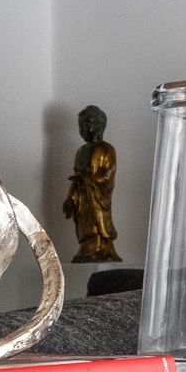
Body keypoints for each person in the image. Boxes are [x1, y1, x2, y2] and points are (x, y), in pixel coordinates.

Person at [63, 105, 120, 264]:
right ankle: (87, 248)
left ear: (100, 125)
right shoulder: (81, 151)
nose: (84, 129)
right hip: (83, 196)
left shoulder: (107, 149)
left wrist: (90, 178)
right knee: (84, 224)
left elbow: (107, 175)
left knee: (98, 222)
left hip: (97, 195)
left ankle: (102, 248)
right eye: (81, 125)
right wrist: (70, 198)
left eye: (88, 123)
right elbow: (76, 177)